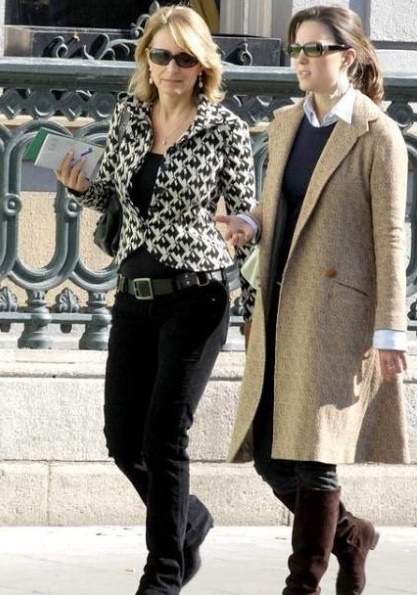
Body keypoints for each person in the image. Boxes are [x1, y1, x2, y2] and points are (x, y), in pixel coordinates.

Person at [54, 6, 255, 594]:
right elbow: (114, 197)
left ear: (202, 66)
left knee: (165, 437)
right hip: (133, 296)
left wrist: (241, 228)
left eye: (184, 58)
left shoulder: (224, 128)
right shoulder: (128, 117)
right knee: (123, 440)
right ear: (146, 60)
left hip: (197, 297)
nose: (171, 68)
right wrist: (81, 187)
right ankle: (189, 519)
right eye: (161, 55)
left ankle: (163, 574)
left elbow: (246, 212)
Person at [216, 5, 409, 594]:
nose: (300, 60)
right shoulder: (285, 122)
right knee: (272, 458)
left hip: (337, 316)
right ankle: (353, 537)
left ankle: (302, 584)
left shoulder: (377, 133)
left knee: (316, 456)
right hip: (280, 306)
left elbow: (391, 235)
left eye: (314, 49)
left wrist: (390, 330)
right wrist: (251, 221)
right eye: (295, 49)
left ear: (346, 57)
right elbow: (282, 204)